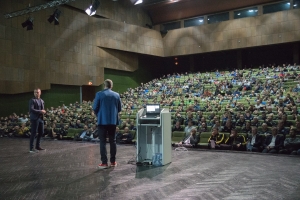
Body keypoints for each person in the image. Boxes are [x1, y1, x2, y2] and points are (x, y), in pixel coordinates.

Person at [93, 79, 122, 169]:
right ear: (111, 86)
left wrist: (99, 114)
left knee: (102, 142)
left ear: (104, 85)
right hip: (113, 121)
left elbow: (95, 107)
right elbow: (119, 108)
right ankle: (113, 162)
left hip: (102, 121)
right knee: (112, 141)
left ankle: (104, 163)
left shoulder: (99, 94)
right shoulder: (116, 95)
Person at [29, 88, 46, 153]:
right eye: (35, 92)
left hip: (40, 118)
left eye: (37, 92)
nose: (36, 93)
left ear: (40, 93)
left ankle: (37, 146)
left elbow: (42, 109)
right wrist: (40, 111)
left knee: (41, 132)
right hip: (34, 118)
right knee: (33, 133)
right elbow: (31, 109)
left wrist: (43, 111)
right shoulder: (32, 100)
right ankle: (31, 148)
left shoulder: (42, 100)